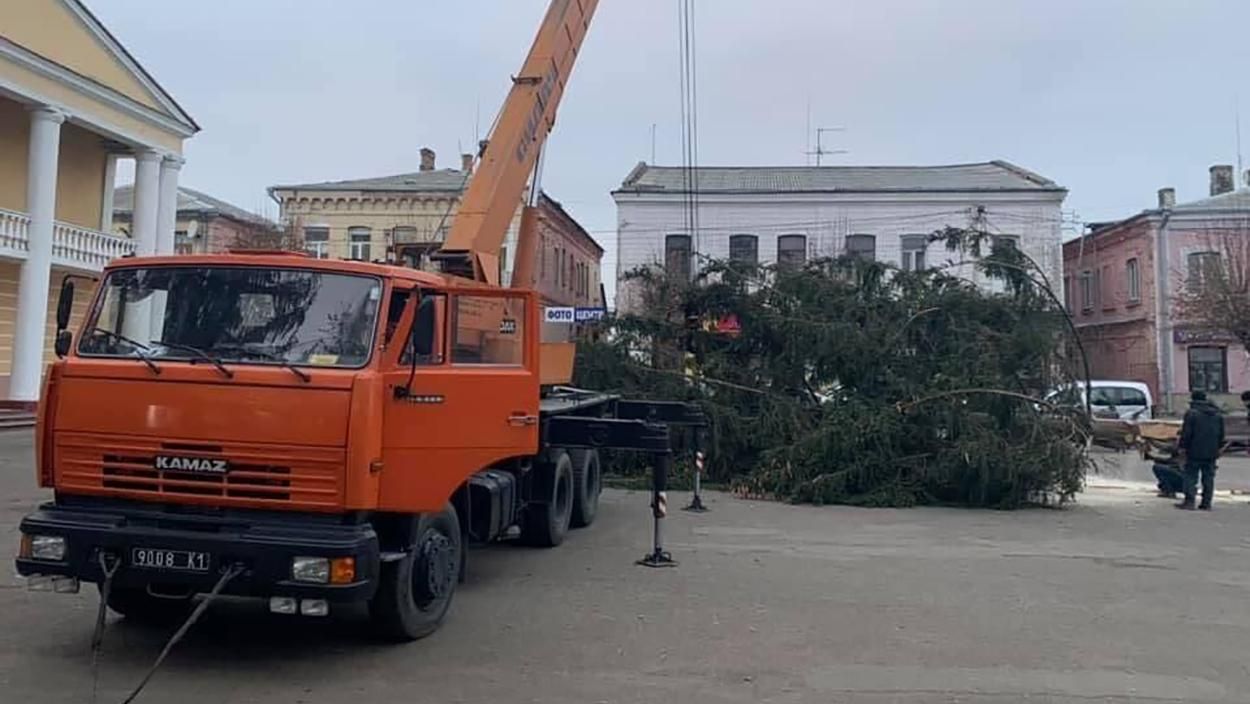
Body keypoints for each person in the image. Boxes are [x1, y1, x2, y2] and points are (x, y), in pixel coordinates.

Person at [1176, 390, 1226, 510]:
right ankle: (1206, 503)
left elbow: (1186, 433)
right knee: (1208, 478)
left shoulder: (1191, 414)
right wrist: (1218, 448)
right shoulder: (1218, 415)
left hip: (1194, 450)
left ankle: (1189, 502)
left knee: (1190, 476)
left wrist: (1182, 448)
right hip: (1211, 452)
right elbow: (1221, 435)